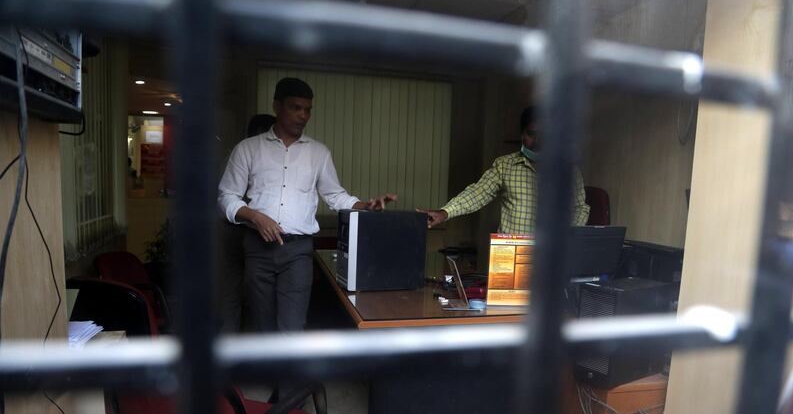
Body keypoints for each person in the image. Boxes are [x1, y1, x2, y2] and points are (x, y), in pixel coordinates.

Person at [218, 77, 396, 332]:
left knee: (293, 326)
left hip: (298, 252)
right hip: (258, 249)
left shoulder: (319, 153)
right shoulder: (248, 149)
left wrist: (365, 206)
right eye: (295, 107)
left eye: (308, 109)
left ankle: (288, 371)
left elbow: (335, 196)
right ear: (277, 106)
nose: (303, 115)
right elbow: (226, 196)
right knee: (262, 325)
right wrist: (255, 217)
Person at [420, 105, 589, 233]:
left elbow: (579, 208)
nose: (538, 141)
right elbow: (478, 193)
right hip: (511, 254)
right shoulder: (504, 165)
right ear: (522, 135)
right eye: (531, 134)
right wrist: (445, 213)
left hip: (550, 256)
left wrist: (568, 238)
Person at [217, 114, 276, 332]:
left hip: (246, 232)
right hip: (238, 231)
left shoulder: (235, 154)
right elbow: (227, 198)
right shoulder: (243, 155)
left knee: (237, 293)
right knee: (245, 293)